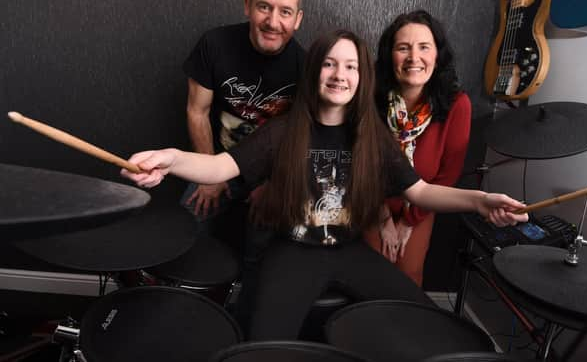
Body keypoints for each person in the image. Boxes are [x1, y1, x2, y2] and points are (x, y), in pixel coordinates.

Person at [122, 29, 528, 340]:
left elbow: (420, 191)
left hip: (350, 251)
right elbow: (218, 168)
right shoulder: (284, 131)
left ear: (361, 77)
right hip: (294, 250)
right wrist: (171, 159)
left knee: (424, 322)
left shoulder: (372, 135)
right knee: (263, 346)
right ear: (315, 71)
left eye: (350, 66)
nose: (340, 75)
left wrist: (479, 200)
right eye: (330, 64)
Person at [182, 0, 305, 231]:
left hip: (271, 174)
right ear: (247, 5)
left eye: (285, 12)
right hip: (216, 160)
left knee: (270, 251)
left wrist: (271, 186)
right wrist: (209, 176)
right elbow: (197, 112)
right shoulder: (214, 45)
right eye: (264, 7)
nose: (273, 22)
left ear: (297, 19)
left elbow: (301, 137)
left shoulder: (306, 67)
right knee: (186, 227)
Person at [364, 10, 471, 287]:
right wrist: (384, 216)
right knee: (370, 269)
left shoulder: (457, 104)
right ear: (390, 56)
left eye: (424, 47)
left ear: (437, 55)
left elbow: (447, 175)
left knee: (408, 274)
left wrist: (408, 221)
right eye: (403, 48)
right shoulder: (369, 96)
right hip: (371, 199)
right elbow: (360, 164)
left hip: (421, 204)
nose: (414, 58)